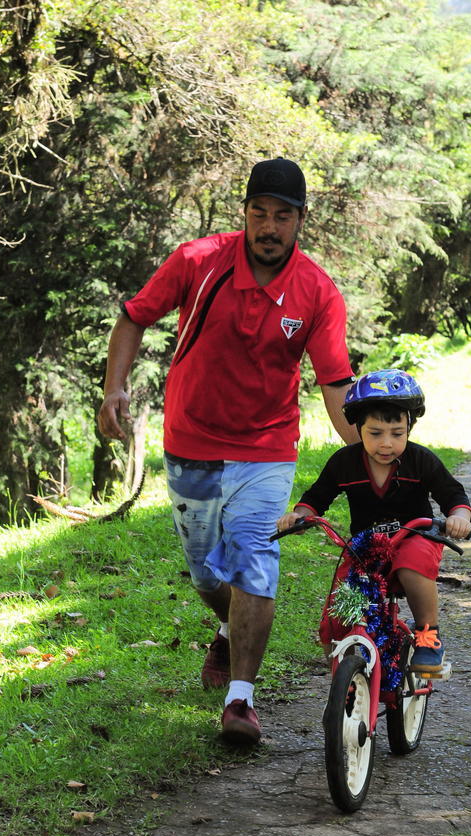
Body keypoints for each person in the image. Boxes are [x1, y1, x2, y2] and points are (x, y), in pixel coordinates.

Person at [97, 157, 359, 744]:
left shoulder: (316, 292)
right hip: (191, 441)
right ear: (244, 212)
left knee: (255, 561)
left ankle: (241, 700)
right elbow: (133, 317)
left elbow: (336, 384)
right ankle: (226, 630)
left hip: (267, 448)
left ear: (300, 220)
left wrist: (369, 452)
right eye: (259, 213)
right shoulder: (198, 261)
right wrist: (114, 387)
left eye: (283, 216)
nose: (269, 227)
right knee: (206, 573)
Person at [276, 368, 471, 674]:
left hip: (415, 536)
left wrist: (459, 517)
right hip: (364, 545)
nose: (386, 444)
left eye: (397, 434)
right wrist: (300, 516)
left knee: (410, 566)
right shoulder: (345, 463)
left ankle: (427, 636)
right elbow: (318, 497)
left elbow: (453, 495)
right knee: (342, 599)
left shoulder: (420, 460)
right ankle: (344, 664)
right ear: (358, 427)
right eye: (375, 433)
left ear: (409, 427)